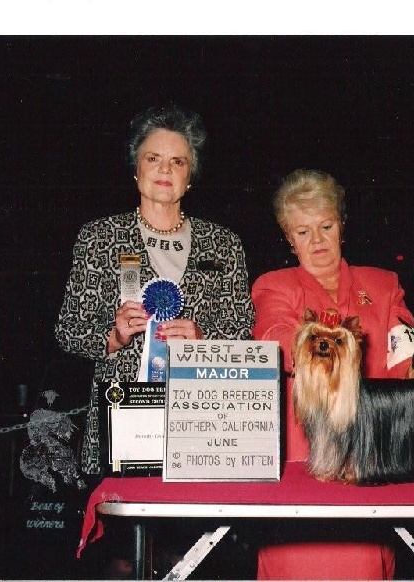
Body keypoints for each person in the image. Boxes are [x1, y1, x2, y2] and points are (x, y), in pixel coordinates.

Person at [54, 104, 255, 577]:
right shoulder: (99, 238)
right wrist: (112, 335)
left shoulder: (224, 245)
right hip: (124, 424)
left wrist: (203, 338)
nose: (165, 170)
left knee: (192, 557)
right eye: (153, 158)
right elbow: (68, 329)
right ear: (136, 168)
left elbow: (243, 331)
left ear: (190, 176)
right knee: (125, 560)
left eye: (177, 161)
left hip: (202, 421)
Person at [251, 168, 414, 580]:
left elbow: (405, 351)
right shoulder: (275, 286)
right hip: (301, 457)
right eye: (303, 232)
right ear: (289, 239)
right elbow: (274, 337)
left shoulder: (383, 284)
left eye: (326, 226)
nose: (317, 240)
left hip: (369, 457)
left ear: (342, 225)